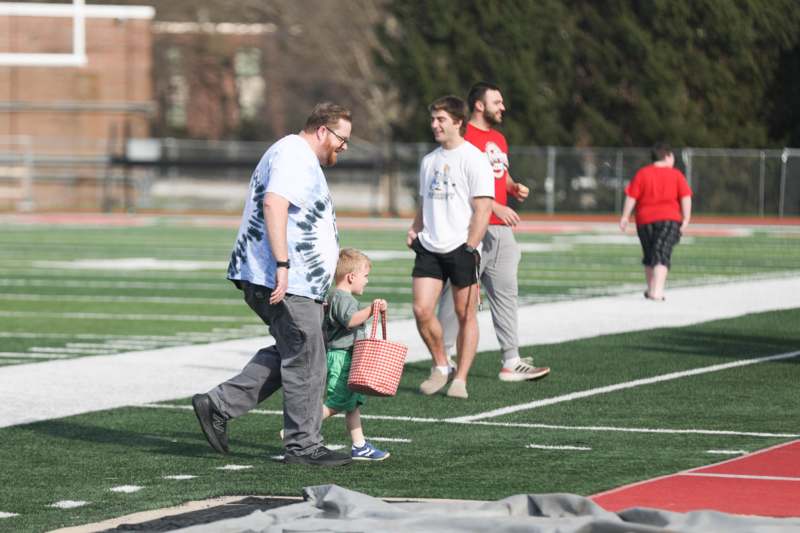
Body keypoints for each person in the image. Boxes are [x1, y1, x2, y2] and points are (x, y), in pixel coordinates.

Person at [192, 102, 354, 467]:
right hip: (284, 278)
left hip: (298, 282)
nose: (344, 147)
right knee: (307, 360)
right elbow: (275, 204)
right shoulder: (294, 154)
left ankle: (218, 404)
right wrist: (283, 265)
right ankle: (303, 446)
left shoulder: (295, 154)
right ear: (323, 131)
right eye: (342, 139)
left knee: (294, 350)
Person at [438, 82, 550, 383]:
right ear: (478, 105)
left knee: (506, 295)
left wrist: (512, 187)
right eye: (497, 102)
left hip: (501, 234)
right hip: (473, 228)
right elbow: (459, 180)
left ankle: (510, 360)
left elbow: (498, 172)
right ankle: (442, 357)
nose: (503, 107)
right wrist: (495, 207)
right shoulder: (463, 137)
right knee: (457, 294)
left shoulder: (498, 138)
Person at [407, 95, 494, 400]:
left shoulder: (474, 159)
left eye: (441, 119)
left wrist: (471, 247)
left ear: (458, 122)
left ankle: (461, 379)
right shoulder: (429, 161)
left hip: (462, 248)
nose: (435, 125)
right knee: (421, 310)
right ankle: (441, 365)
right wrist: (415, 227)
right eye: (433, 119)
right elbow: (424, 201)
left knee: (465, 314)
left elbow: (483, 208)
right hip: (429, 246)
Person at [321, 248, 390, 461]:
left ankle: (359, 445)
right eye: (365, 276)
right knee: (338, 402)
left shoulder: (341, 296)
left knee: (352, 403)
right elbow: (350, 320)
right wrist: (371, 310)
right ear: (351, 277)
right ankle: (297, 431)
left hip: (350, 355)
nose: (367, 281)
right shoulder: (341, 297)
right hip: (342, 357)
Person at [619, 142, 693, 301]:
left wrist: (625, 216)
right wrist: (686, 218)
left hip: (644, 220)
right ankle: (657, 292)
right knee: (661, 253)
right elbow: (685, 197)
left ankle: (651, 288)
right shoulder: (676, 174)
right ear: (667, 156)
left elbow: (631, 196)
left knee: (649, 254)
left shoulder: (642, 173)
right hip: (669, 219)